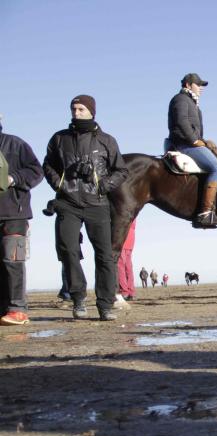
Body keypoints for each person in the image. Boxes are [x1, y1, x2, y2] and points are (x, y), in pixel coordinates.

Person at [43, 95, 129, 321]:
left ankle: (105, 305)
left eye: (81, 108)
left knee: (104, 255)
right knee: (68, 250)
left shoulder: (106, 140)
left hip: (97, 203)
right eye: (73, 108)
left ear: (92, 111)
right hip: (67, 202)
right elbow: (47, 165)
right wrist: (60, 183)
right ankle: (78, 297)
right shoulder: (59, 139)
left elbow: (121, 171)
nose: (76, 112)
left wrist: (103, 185)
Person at [0, 116, 44, 325]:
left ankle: (17, 308)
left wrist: (13, 178)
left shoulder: (15, 144)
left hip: (14, 213)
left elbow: (36, 170)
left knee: (13, 260)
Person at [167, 73, 217, 228]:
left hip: (190, 142)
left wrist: (205, 142)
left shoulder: (192, 103)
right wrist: (194, 140)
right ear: (187, 85)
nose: (201, 88)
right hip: (184, 144)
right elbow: (182, 122)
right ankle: (205, 213)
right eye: (198, 85)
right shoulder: (180, 99)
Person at [117, 219, 136, 301]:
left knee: (120, 265)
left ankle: (124, 292)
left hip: (123, 235)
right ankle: (131, 292)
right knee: (128, 266)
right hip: (130, 236)